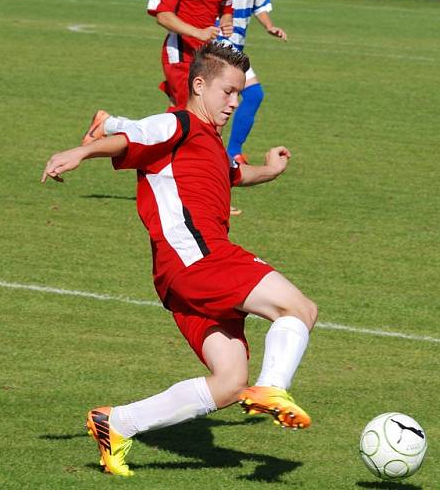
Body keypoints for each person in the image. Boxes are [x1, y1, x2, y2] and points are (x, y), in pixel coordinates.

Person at [43, 42, 318, 477]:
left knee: (229, 383)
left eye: (239, 95)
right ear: (199, 84)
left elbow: (234, 174)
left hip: (179, 278)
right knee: (299, 308)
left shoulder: (205, 141)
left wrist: (270, 170)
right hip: (200, 260)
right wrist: (81, 151)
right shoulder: (180, 122)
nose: (234, 102)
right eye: (228, 91)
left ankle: (116, 423)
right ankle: (272, 388)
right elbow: (132, 136)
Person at [218, 0, 288, 166]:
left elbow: (259, 5)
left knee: (250, 96)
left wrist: (270, 26)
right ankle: (228, 153)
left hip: (235, 47)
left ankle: (229, 152)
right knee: (246, 95)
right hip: (216, 46)